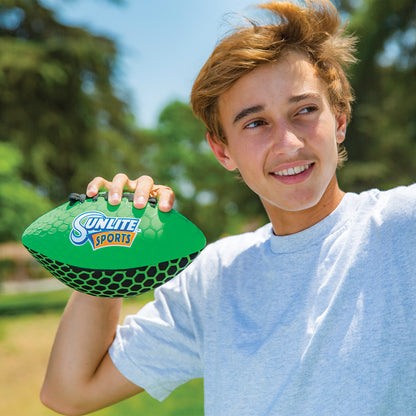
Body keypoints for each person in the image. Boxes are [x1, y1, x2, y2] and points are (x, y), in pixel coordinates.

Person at [41, 1, 416, 415]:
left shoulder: (402, 227)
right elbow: (68, 392)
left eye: (304, 110)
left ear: (340, 120)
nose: (288, 142)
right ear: (222, 150)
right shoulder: (212, 278)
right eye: (255, 123)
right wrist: (105, 249)